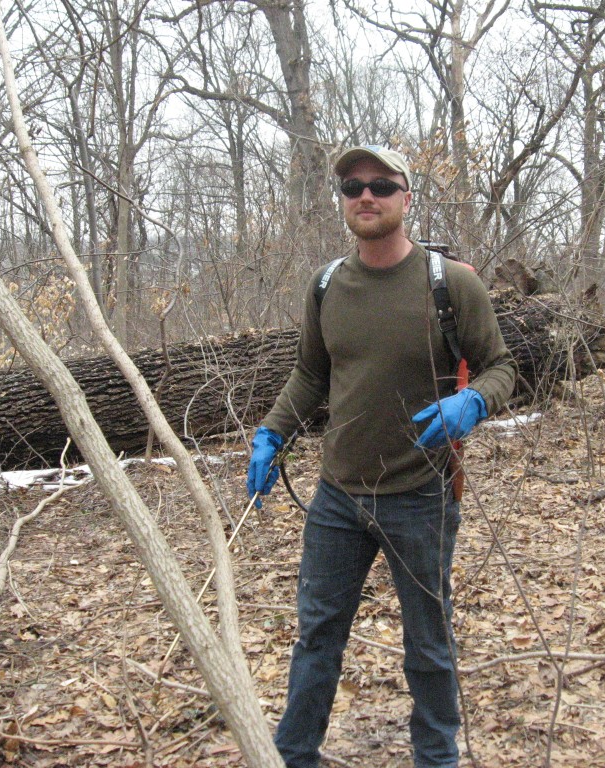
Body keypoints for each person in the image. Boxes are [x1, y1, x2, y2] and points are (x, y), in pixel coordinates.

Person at [246, 145, 516, 768]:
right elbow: (310, 377)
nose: (364, 195)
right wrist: (272, 432)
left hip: (421, 495)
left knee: (429, 642)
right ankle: (293, 755)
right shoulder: (325, 286)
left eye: (380, 185)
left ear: (406, 198)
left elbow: (503, 366)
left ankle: (436, 756)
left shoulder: (453, 284)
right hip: (337, 496)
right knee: (316, 637)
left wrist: (473, 402)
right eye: (351, 186)